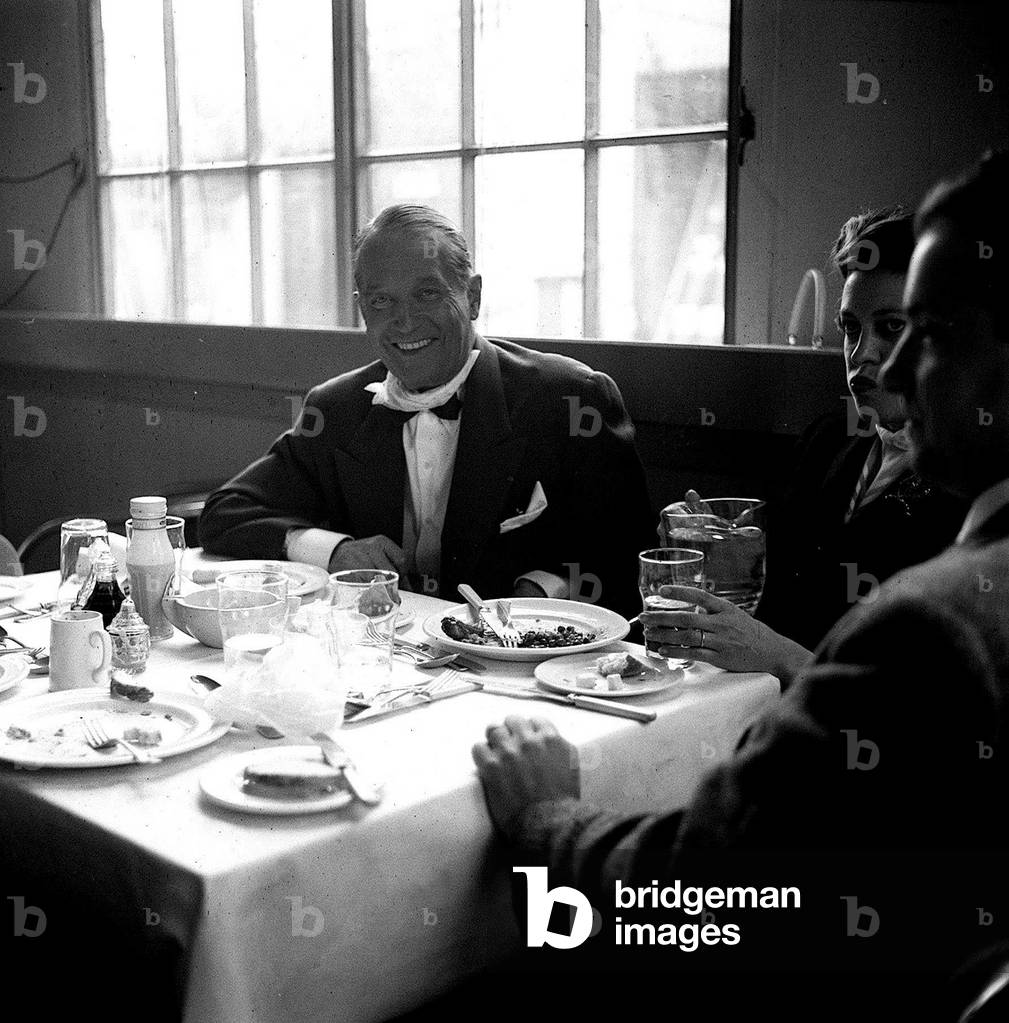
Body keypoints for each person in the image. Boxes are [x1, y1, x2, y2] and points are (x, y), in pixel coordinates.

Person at [471, 152, 1009, 1019]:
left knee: (518, 937)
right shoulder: (856, 477)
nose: (893, 371)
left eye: (930, 332)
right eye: (862, 331)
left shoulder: (932, 628)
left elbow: (693, 897)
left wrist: (545, 818)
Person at [199, 205, 653, 614]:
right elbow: (226, 513)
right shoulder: (335, 408)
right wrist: (335, 552)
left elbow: (630, 555)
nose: (404, 321)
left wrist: (538, 595)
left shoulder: (571, 400)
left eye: (428, 294)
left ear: (472, 297)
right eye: (382, 301)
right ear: (362, 311)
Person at [654, 208, 967, 685]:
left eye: (890, 327)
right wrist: (730, 553)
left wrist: (781, 656)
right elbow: (785, 588)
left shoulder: (971, 488)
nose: (861, 355)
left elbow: (927, 702)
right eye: (850, 329)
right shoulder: (831, 440)